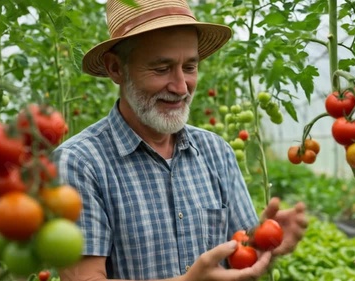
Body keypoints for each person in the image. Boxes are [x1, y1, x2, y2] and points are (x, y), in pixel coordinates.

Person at [53, 0, 308, 280]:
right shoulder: (80, 163)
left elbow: (241, 256)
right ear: (116, 69)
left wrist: (264, 243)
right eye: (161, 69)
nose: (181, 86)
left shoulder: (215, 151)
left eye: (189, 67)